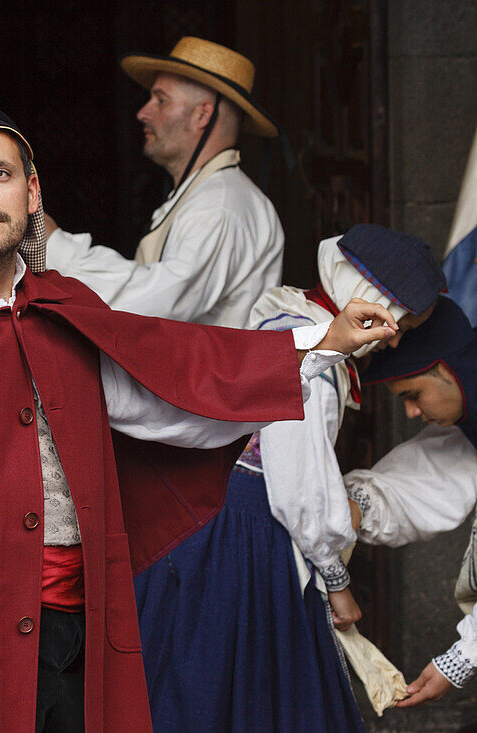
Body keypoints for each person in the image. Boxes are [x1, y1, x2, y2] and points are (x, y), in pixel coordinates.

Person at [0, 96, 396, 732]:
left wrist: (318, 341)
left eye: (0, 173)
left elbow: (175, 381)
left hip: (79, 627)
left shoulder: (69, 307)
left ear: (32, 192)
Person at [133, 224, 444, 731]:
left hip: (208, 521)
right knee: (247, 696)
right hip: (243, 537)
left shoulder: (289, 320)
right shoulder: (315, 359)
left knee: (197, 686)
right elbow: (301, 489)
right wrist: (337, 581)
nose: (393, 342)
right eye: (401, 327)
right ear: (372, 301)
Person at [46, 37, 283, 328]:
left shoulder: (219, 207)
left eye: (161, 100)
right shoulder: (205, 194)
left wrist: (55, 245)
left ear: (202, 115)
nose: (143, 112)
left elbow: (154, 302)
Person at [346, 295, 477, 707]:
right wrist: (351, 507)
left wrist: (462, 658)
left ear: (447, 370)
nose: (411, 412)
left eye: (413, 394)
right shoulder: (467, 424)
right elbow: (424, 481)